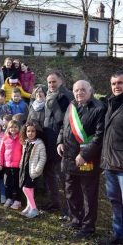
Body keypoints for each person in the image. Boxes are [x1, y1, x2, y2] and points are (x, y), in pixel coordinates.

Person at [57, 80, 105, 238]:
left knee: (88, 194)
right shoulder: (71, 106)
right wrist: (60, 142)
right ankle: (75, 219)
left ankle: (87, 227)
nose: (79, 93)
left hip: (87, 160)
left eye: (83, 90)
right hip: (69, 157)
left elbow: (99, 136)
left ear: (90, 90)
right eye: (76, 90)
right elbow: (64, 127)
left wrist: (85, 155)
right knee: (71, 191)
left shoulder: (99, 108)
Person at [43, 71, 73, 212]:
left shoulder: (65, 97)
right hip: (49, 139)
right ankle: (55, 202)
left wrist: (61, 140)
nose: (51, 84)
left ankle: (69, 207)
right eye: (49, 82)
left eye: (54, 81)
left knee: (64, 175)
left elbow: (66, 122)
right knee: (49, 172)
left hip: (61, 141)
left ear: (61, 81)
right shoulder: (48, 96)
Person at [100, 71, 123, 245]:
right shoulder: (110, 104)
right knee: (115, 203)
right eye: (114, 83)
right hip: (110, 165)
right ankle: (118, 236)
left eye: (120, 83)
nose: (117, 86)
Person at [19, 121, 46, 218]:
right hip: (25, 170)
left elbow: (42, 158)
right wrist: (20, 164)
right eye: (28, 131)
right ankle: (28, 206)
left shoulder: (39, 144)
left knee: (26, 188)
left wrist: (37, 170)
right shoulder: (26, 143)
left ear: (36, 132)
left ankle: (34, 209)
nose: (30, 133)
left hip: (33, 171)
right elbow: (23, 155)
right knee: (30, 190)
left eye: (33, 131)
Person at [0, 120, 22, 209]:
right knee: (7, 183)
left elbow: (23, 152)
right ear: (8, 128)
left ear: (19, 128)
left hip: (17, 166)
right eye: (11, 127)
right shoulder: (5, 138)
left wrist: (21, 163)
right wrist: (0, 164)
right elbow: (1, 151)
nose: (13, 129)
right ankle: (9, 198)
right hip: (7, 165)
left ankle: (17, 200)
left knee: (17, 183)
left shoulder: (21, 138)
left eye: (15, 127)